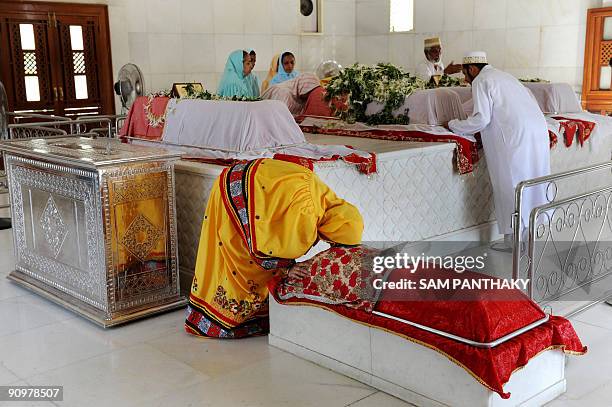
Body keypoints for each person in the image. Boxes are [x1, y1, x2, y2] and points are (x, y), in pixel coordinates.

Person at [185, 158, 364, 338]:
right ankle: (225, 320)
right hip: (239, 192)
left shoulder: (321, 195)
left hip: (238, 177)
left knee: (228, 251)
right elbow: (269, 247)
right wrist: (288, 268)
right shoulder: (307, 214)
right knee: (240, 258)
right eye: (336, 242)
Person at [448, 52, 550, 251]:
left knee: (509, 185)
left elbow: (481, 119)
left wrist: (453, 125)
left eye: (465, 73)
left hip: (514, 137)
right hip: (537, 132)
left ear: (473, 69)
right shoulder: (504, 76)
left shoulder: (481, 80)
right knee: (530, 183)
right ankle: (529, 237)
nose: (465, 79)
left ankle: (513, 243)